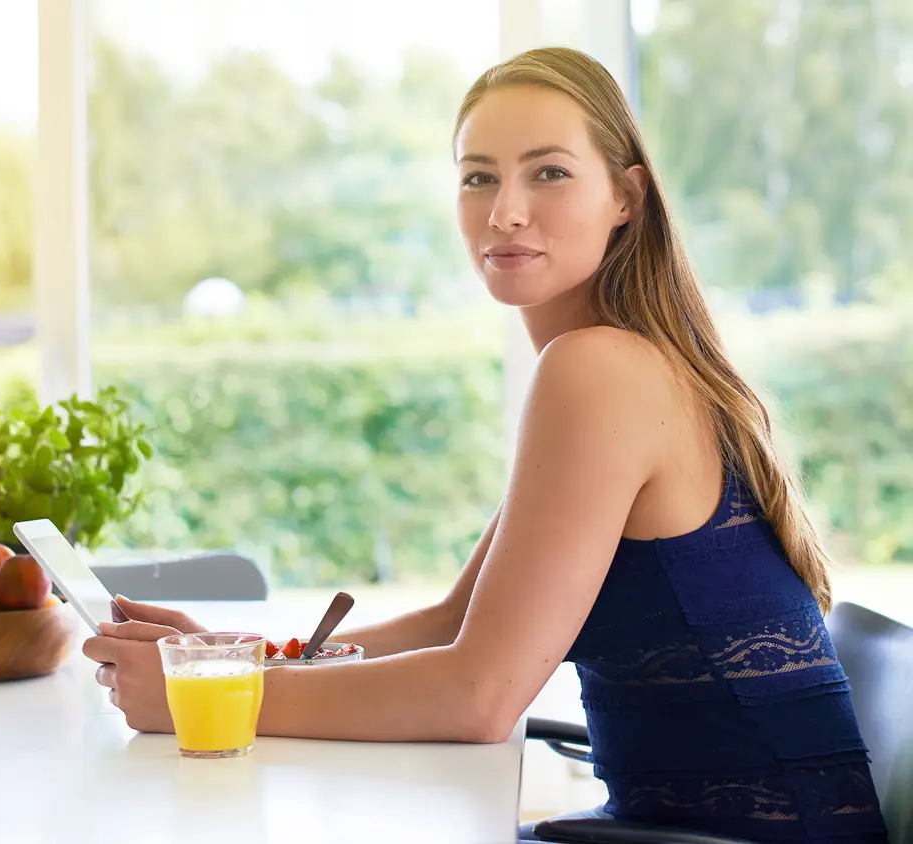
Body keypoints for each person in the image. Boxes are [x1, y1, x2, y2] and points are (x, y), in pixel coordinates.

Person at [81, 47, 890, 843]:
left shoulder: (599, 369)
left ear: (627, 197)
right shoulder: (617, 361)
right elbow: (452, 622)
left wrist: (212, 699)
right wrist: (235, 658)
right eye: (478, 176)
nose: (505, 210)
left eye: (548, 172)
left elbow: (479, 698)